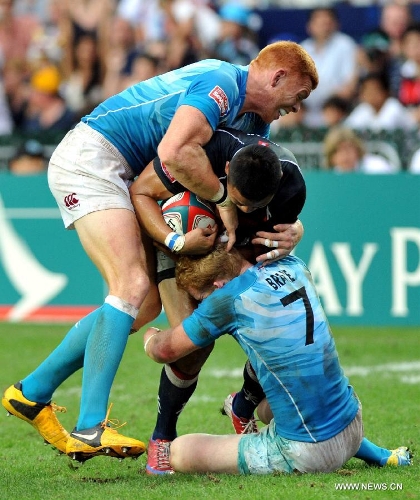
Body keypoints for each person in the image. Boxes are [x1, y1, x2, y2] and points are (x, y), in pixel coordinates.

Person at [1, 41, 318, 463]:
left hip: (127, 173)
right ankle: (91, 426)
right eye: (298, 95)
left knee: (144, 303)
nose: (296, 107)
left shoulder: (255, 127)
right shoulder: (222, 82)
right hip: (94, 156)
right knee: (130, 285)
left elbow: (260, 195)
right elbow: (175, 153)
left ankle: (32, 392)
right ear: (276, 77)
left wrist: (292, 227)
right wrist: (219, 198)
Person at [142, 245, 412, 475]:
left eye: (200, 298)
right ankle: (375, 454)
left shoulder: (227, 299)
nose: (201, 305)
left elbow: (165, 351)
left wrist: (150, 336)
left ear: (218, 285)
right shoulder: (293, 264)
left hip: (306, 454)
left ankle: (260, 442)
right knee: (266, 407)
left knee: (179, 452)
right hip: (353, 422)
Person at [130, 127, 306, 474]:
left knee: (273, 325)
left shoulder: (291, 188)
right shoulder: (198, 151)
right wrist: (176, 242)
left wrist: (295, 232)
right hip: (180, 242)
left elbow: (279, 236)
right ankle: (161, 438)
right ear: (225, 169)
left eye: (250, 207)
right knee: (193, 345)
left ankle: (242, 406)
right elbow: (140, 192)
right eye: (236, 200)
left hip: (235, 250)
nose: (239, 209)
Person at [300, 7, 358, 128]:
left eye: (327, 23)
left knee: (331, 115)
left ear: (336, 24)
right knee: (286, 117)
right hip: (305, 108)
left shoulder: (345, 45)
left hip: (336, 107)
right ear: (309, 26)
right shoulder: (302, 49)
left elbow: (349, 88)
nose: (324, 27)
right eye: (319, 23)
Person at [344, 71, 416, 132]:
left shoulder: (393, 106)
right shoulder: (364, 109)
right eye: (367, 91)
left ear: (385, 91)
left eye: (375, 90)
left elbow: (383, 130)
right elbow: (347, 129)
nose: (371, 94)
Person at [322, 127, 398, 174]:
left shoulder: (377, 167)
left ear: (357, 149)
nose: (345, 155)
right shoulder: (332, 179)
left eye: (348, 149)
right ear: (331, 158)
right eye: (337, 151)